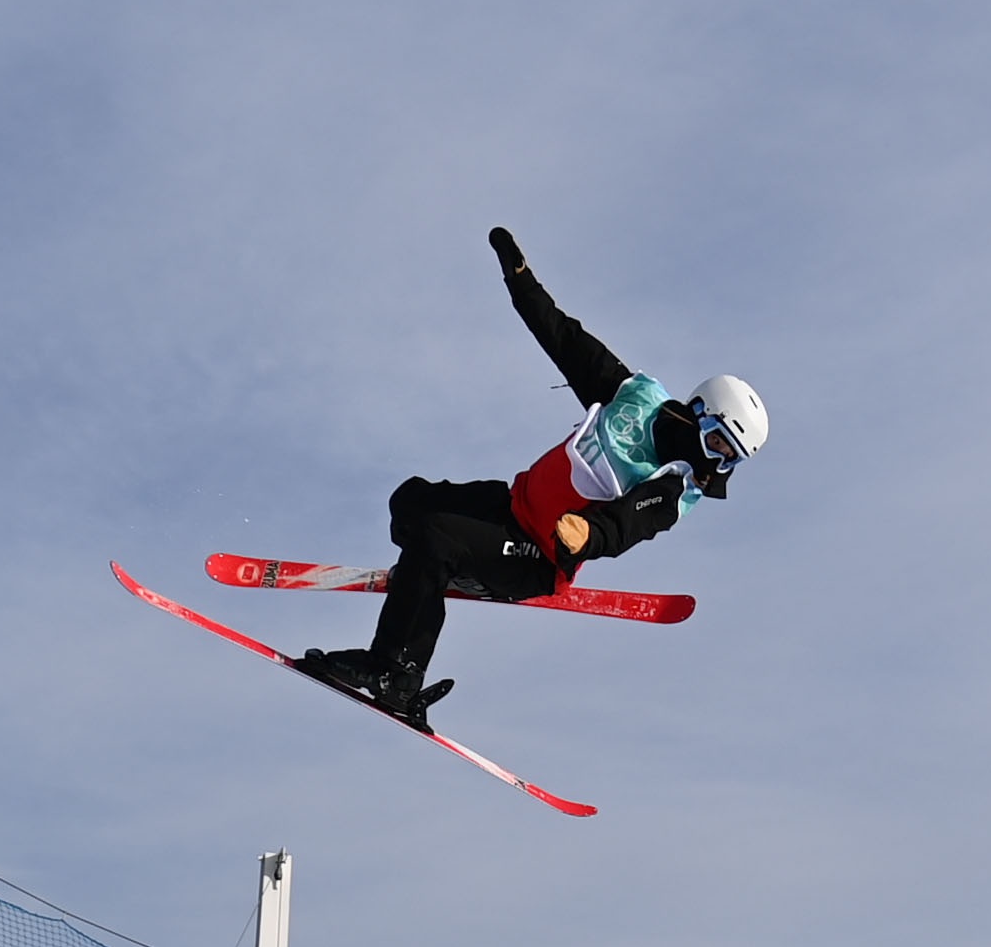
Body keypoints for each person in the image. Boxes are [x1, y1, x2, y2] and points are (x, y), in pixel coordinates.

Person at [303, 228, 768, 728]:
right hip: (511, 507)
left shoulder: (676, 484)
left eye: (731, 459)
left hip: (537, 557)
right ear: (700, 411)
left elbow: (629, 525)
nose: (717, 462)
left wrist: (589, 534)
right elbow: (565, 340)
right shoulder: (636, 397)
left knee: (437, 539)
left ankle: (396, 672)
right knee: (411, 504)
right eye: (719, 441)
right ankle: (428, 577)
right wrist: (522, 283)